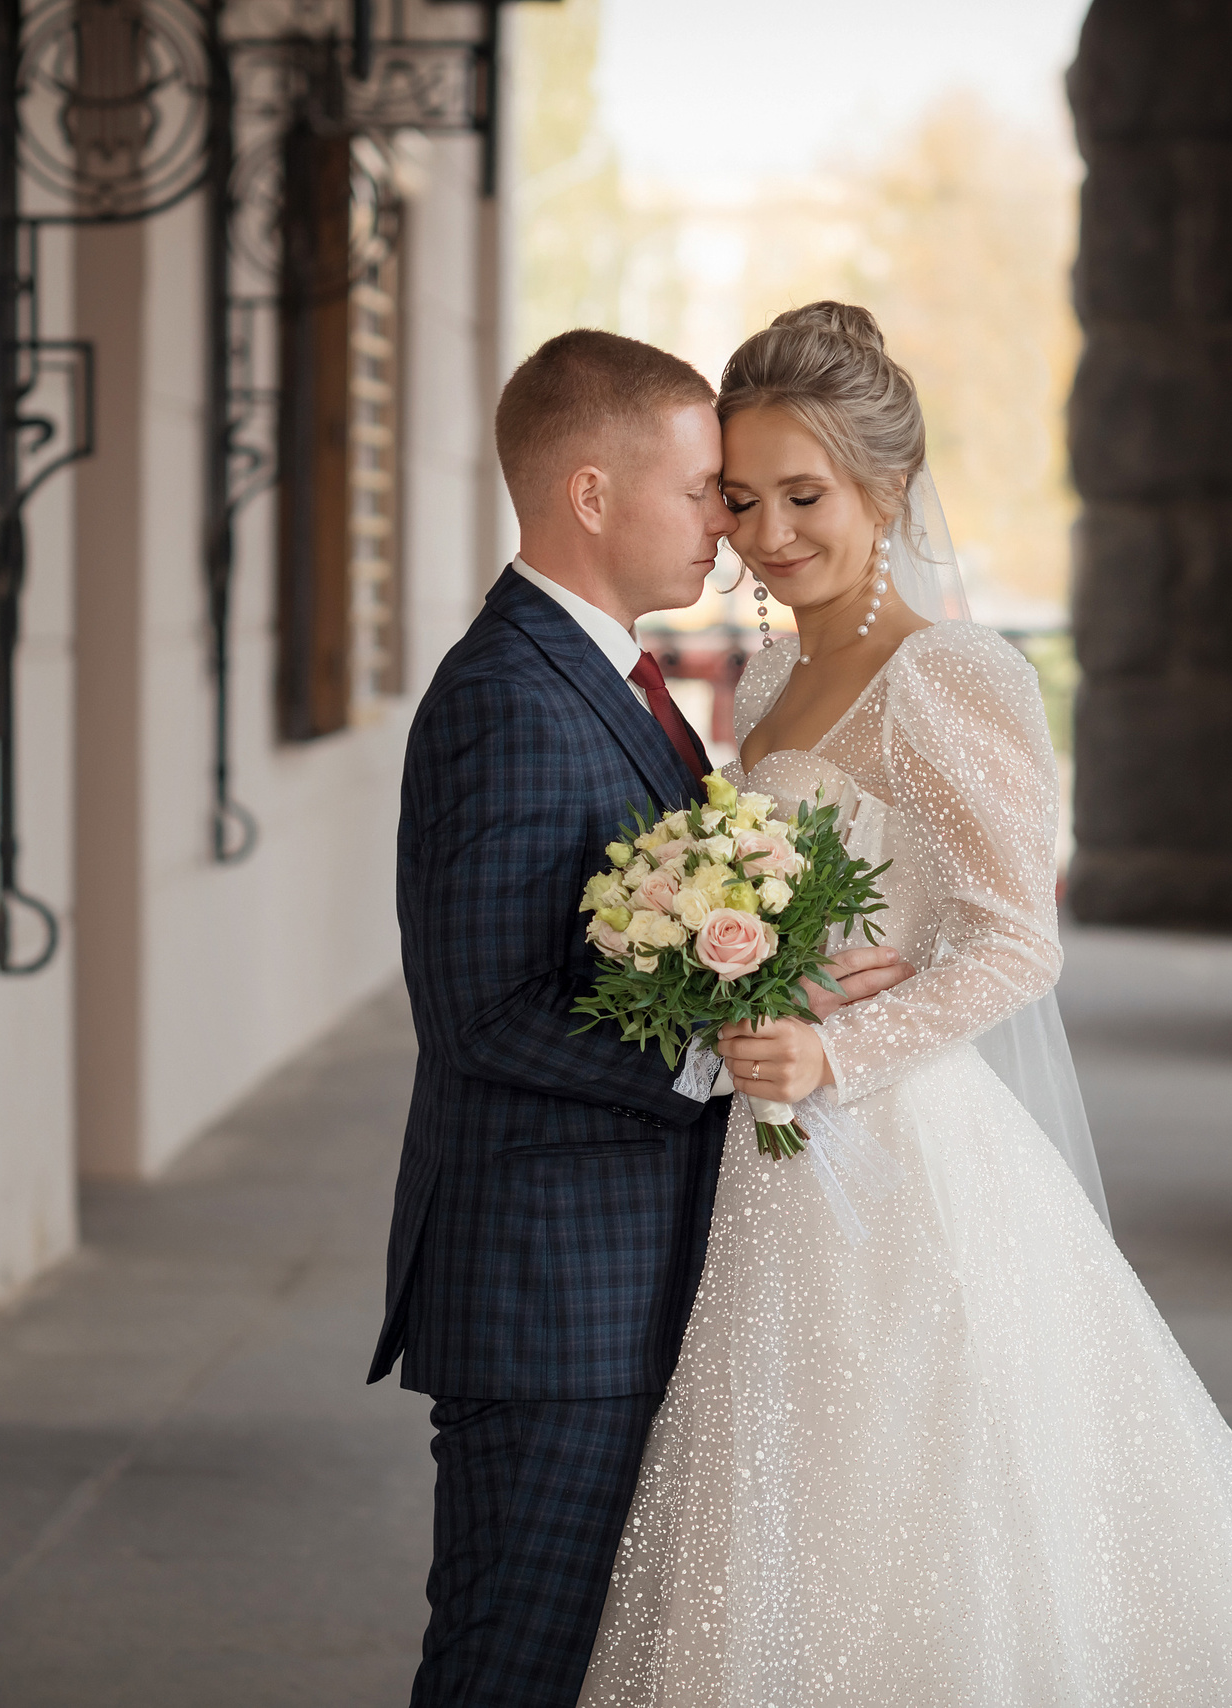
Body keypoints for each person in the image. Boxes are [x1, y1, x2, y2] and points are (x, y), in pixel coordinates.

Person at [576, 304, 1232, 1706]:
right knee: (786, 1509)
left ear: (886, 494)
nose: (769, 536)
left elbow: (1018, 940)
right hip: (779, 1164)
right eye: (741, 499)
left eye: (804, 496)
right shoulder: (773, 672)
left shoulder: (949, 675)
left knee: (929, 1497)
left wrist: (831, 1049)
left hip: (901, 1153)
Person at [372, 327, 914, 1708]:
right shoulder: (507, 695)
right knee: (512, 1663)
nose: (729, 535)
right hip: (555, 1298)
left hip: (622, 1275)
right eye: (702, 494)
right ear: (594, 496)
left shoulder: (608, 671)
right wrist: (720, 1058)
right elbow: (482, 1014)